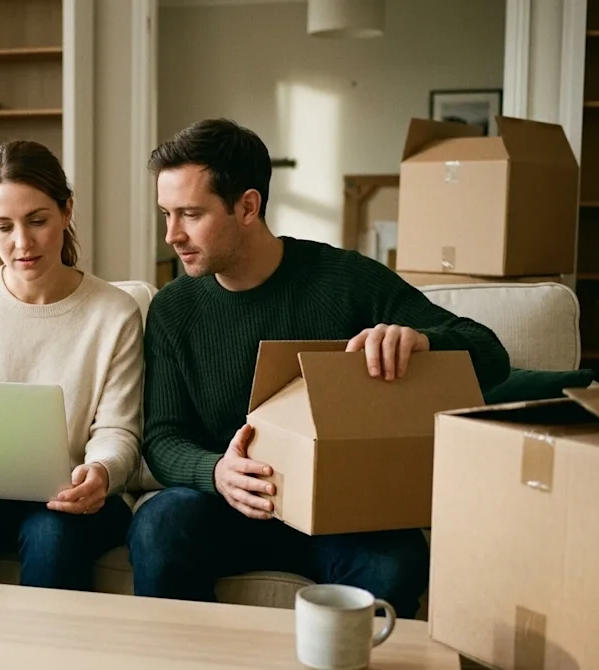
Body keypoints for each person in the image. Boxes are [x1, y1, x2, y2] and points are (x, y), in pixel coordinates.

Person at [127, 119, 511, 618]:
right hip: (228, 507)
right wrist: (216, 471)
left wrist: (421, 340)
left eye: (191, 214)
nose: (172, 235)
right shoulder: (174, 308)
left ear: (247, 206)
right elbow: (162, 436)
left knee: (396, 561)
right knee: (158, 523)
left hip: (340, 512)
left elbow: (492, 354)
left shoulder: (345, 279)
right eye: (166, 214)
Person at [0, 139, 144, 592]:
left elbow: (119, 430)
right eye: (3, 226)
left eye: (38, 221)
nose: (22, 243)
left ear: (67, 210)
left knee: (52, 535)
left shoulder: (115, 313)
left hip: (69, 500)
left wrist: (102, 472)